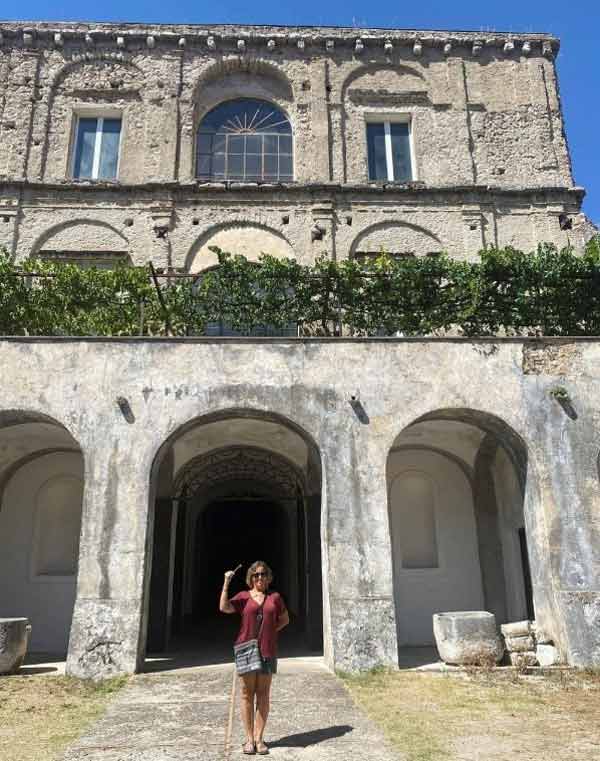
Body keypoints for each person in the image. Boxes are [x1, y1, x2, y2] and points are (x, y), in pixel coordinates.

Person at [220, 560, 289, 755]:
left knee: (264, 694)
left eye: (263, 574)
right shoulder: (244, 597)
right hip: (246, 650)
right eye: (256, 574)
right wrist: (226, 582)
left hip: (268, 650)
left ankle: (259, 739)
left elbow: (285, 619)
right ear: (251, 578)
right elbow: (224, 607)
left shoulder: (275, 598)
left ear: (268, 578)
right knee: (246, 694)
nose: (260, 577)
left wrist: (271, 631)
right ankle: (249, 739)